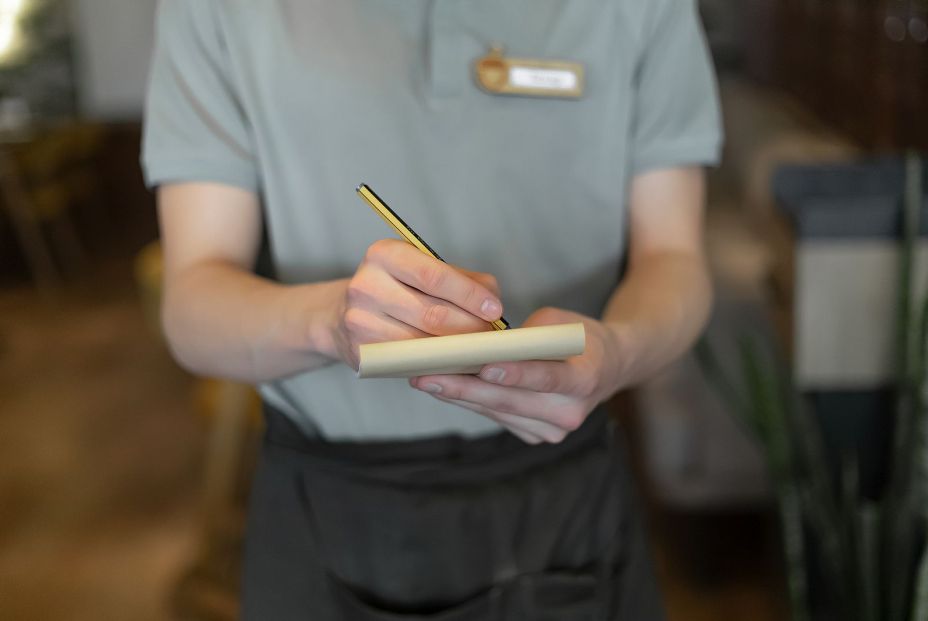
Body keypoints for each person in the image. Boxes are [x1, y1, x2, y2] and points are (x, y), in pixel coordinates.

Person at [142, 0, 722, 618]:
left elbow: (675, 258)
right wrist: (329, 321)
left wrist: (618, 349)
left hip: (566, 488)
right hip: (326, 502)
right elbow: (192, 307)